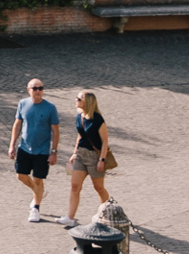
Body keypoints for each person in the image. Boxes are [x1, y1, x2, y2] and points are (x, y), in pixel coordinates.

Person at [8, 77, 62, 223]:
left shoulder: (50, 108)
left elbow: (56, 131)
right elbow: (17, 124)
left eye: (41, 88)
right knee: (21, 175)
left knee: (38, 180)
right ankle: (38, 193)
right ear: (28, 90)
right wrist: (12, 144)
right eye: (35, 88)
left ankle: (36, 208)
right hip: (24, 148)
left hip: (42, 151)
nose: (38, 91)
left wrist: (54, 152)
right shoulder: (22, 104)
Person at [63, 90, 113, 227]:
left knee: (98, 187)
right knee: (74, 186)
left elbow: (104, 141)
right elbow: (80, 136)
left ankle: (108, 213)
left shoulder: (97, 119)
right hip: (80, 154)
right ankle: (70, 217)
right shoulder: (79, 116)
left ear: (87, 102)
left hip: (94, 157)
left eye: (78, 99)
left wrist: (102, 160)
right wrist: (74, 153)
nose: (76, 100)